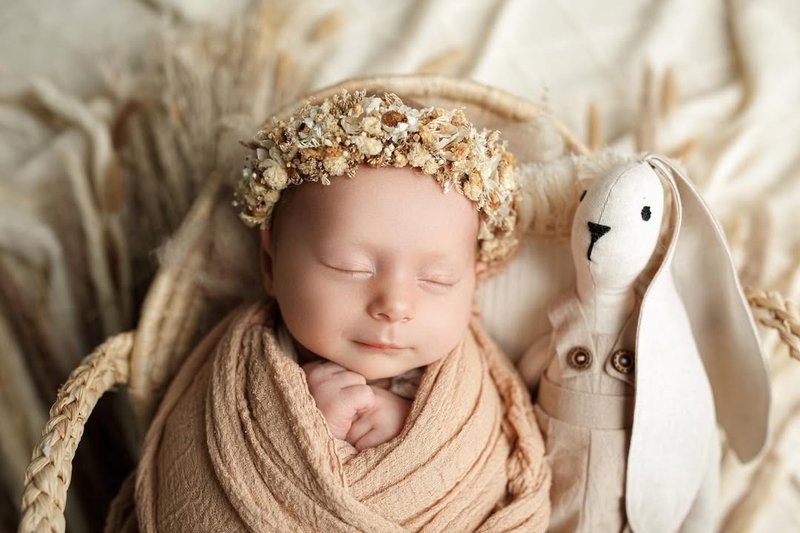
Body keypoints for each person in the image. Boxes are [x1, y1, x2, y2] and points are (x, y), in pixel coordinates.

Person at [134, 89, 550, 532]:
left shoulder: (473, 399)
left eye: (437, 280)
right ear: (270, 263)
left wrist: (404, 430)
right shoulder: (237, 381)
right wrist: (301, 431)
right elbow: (192, 499)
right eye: (350, 267)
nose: (395, 305)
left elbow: (498, 490)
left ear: (473, 282)